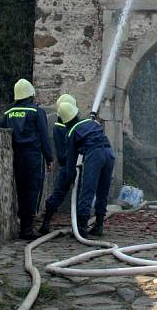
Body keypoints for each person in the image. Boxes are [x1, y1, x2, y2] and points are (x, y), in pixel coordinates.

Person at [0, 78, 54, 240]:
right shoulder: (37, 112)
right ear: (31, 95)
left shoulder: (9, 113)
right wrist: (49, 158)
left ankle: (23, 226)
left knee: (21, 190)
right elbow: (44, 136)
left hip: (16, 156)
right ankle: (27, 229)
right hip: (33, 156)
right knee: (32, 190)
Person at [57, 100, 115, 238]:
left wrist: (70, 178)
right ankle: (99, 225)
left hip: (95, 155)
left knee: (87, 190)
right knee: (102, 191)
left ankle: (82, 227)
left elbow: (71, 160)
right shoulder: (91, 123)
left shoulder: (72, 132)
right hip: (109, 153)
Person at [38, 93, 77, 234]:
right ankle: (80, 226)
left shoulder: (57, 127)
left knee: (58, 194)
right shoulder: (68, 127)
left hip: (65, 166)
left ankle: (46, 223)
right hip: (71, 165)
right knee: (78, 194)